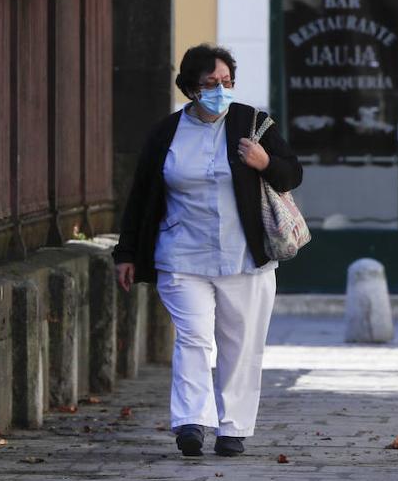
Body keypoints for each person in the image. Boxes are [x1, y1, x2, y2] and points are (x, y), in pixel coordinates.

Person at [113, 44, 303, 458]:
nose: (221, 90)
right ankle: (192, 422)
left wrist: (264, 160)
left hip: (244, 258)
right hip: (182, 254)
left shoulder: (252, 123)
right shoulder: (166, 133)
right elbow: (141, 194)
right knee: (194, 339)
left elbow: (292, 173)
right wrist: (126, 252)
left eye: (227, 82)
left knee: (240, 344)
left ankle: (233, 427)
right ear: (190, 88)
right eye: (211, 83)